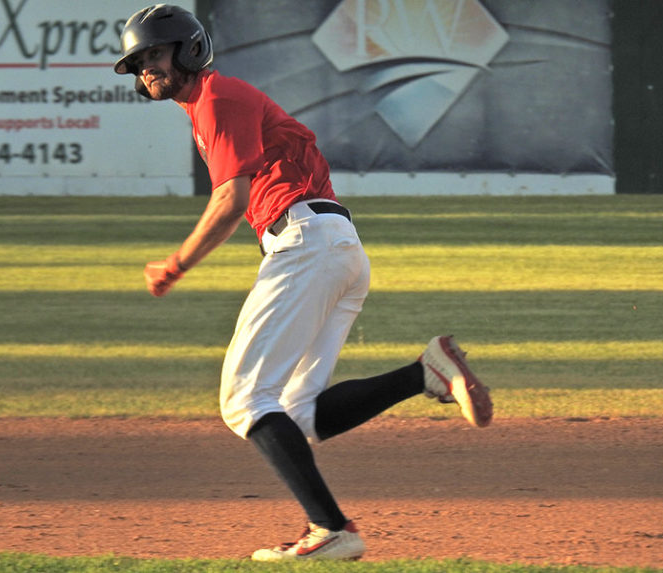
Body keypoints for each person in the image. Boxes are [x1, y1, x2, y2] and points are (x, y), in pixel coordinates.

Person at [114, 4, 493, 562]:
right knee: (298, 412)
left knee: (244, 399)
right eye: (139, 60)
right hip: (333, 245)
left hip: (306, 243)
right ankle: (425, 373)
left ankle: (331, 529)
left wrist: (176, 264)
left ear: (189, 50)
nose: (147, 67)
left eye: (155, 52)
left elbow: (231, 199)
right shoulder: (208, 106)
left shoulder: (217, 97)